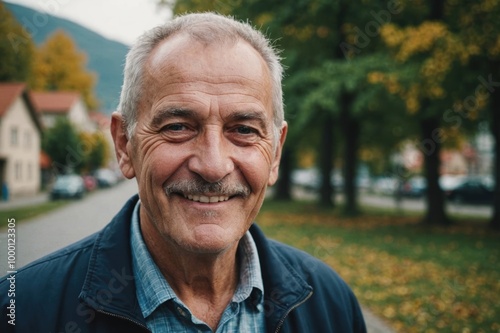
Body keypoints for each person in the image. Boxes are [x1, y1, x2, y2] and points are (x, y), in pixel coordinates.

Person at [1, 13, 366, 332]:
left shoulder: (331, 305)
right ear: (124, 145)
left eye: (243, 130)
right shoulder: (21, 312)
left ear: (275, 154)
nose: (212, 166)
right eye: (177, 127)